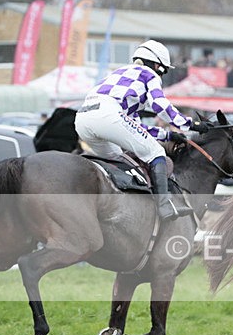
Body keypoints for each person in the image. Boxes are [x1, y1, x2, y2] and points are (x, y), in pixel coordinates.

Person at [74, 39, 204, 220]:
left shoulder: (119, 73)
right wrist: (190, 124)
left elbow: (135, 127)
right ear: (157, 65)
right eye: (164, 71)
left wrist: (168, 134)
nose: (162, 76)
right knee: (156, 152)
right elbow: (160, 105)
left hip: (82, 120)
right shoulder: (149, 75)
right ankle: (164, 206)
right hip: (108, 115)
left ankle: (115, 202)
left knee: (117, 158)